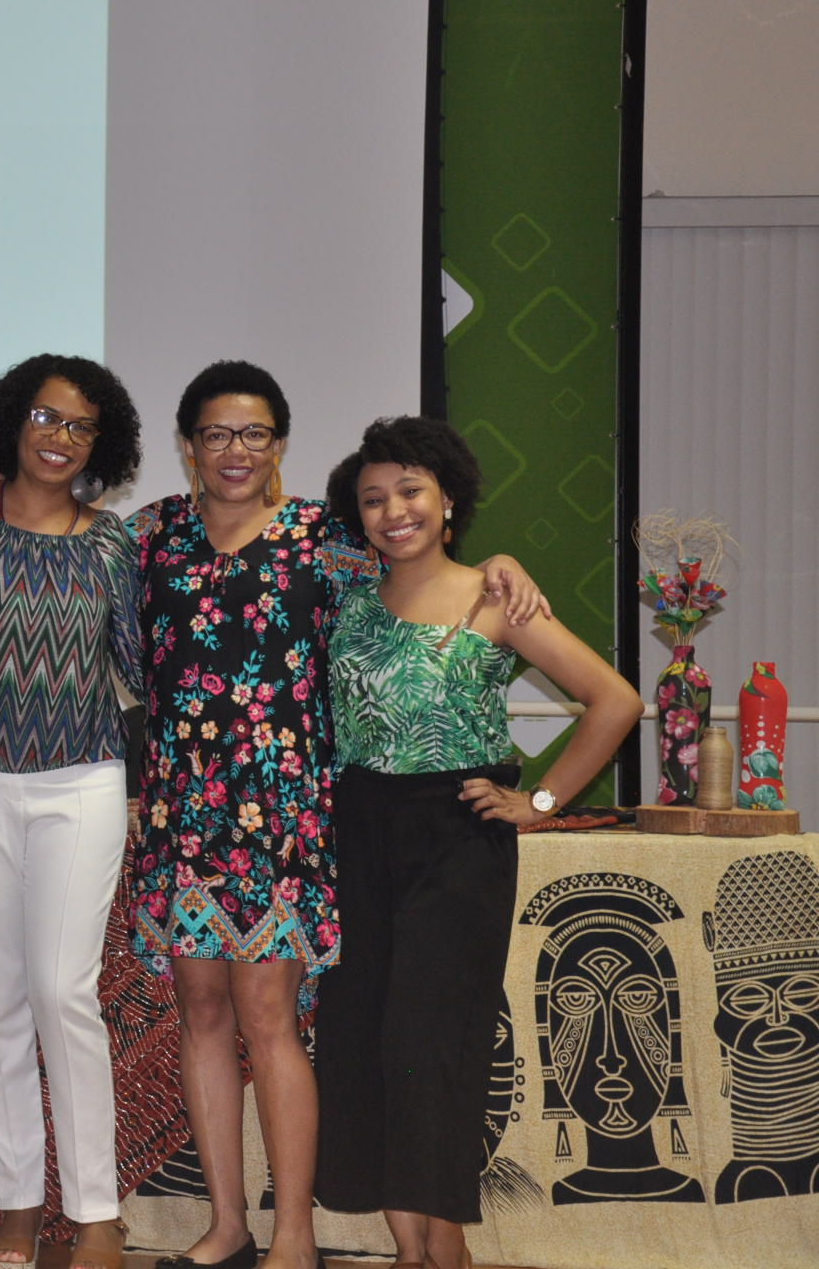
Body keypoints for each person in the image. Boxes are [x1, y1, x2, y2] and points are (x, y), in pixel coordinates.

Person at [0, 361, 544, 1269]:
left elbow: (422, 569)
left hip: (284, 812)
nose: (235, 450)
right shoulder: (147, 536)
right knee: (202, 1012)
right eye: (216, 434)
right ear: (187, 447)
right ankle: (227, 1225)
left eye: (254, 434)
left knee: (270, 1015)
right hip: (182, 809)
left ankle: (293, 1232)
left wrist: (498, 564)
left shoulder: (327, 539)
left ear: (279, 445)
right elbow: (74, 592)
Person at [314, 417, 640, 1269]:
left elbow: (615, 701)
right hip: (358, 832)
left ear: (449, 499)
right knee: (366, 1037)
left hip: (457, 836)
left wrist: (540, 801)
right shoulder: (345, 600)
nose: (394, 512)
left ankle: (446, 1242)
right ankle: (406, 1245)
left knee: (433, 1041)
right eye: (373, 499)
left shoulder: (496, 597)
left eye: (410, 491)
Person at [0, 355, 145, 1269]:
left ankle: (96, 1210)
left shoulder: (111, 544)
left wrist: (148, 785)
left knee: (64, 992)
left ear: (102, 444)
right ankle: (17, 1204)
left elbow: (137, 672)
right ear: (13, 421)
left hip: (80, 783)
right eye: (47, 417)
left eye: (81, 426)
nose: (60, 438)